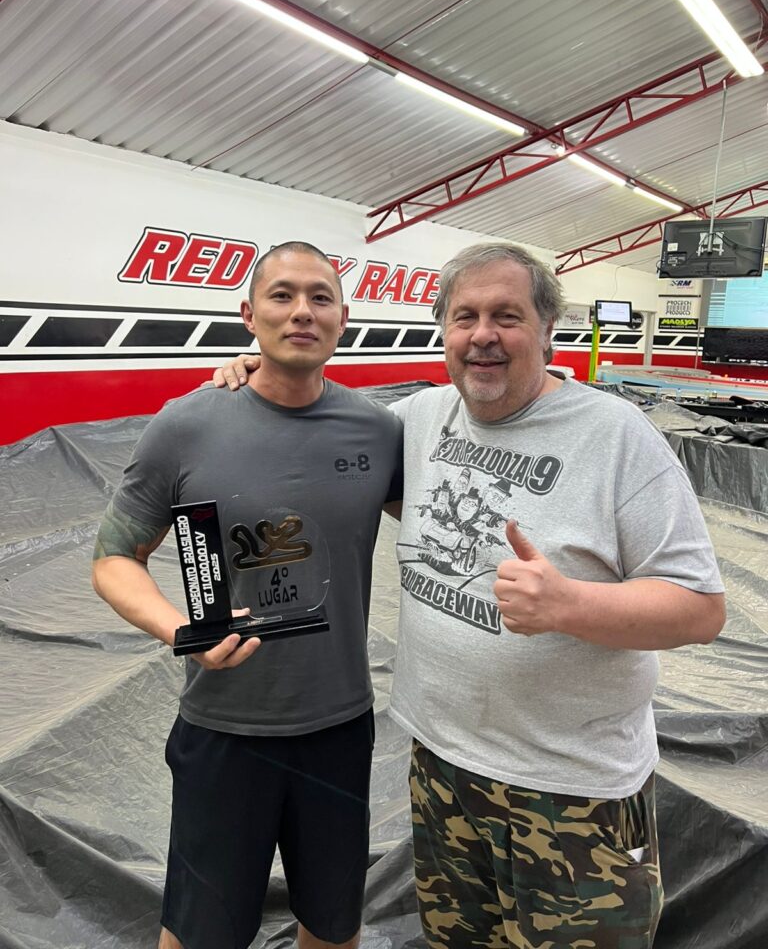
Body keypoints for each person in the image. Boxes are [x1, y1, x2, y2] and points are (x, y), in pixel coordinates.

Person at [212, 242, 726, 949]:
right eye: (465, 317)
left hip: (571, 793)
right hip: (441, 771)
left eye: (507, 316)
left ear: (547, 329)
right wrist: (263, 374)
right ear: (445, 332)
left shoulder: (616, 438)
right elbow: (328, 439)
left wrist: (571, 605)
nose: (483, 335)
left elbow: (701, 609)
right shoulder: (422, 418)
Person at [92, 241, 403, 949]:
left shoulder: (379, 429)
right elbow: (113, 558)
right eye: (282, 295)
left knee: (334, 925)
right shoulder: (186, 426)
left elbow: (450, 496)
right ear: (248, 314)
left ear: (344, 318)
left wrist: (546, 386)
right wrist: (181, 631)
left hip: (338, 728)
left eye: (320, 297)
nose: (302, 312)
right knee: (199, 933)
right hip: (225, 732)